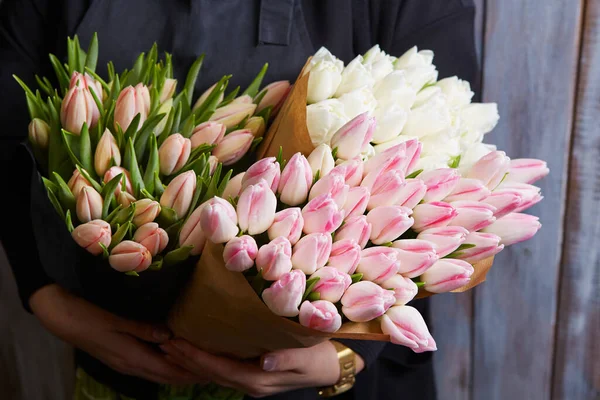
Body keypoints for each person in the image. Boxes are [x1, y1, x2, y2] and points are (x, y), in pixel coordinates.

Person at [0, 0, 480, 399]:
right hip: (115, 364)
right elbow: (5, 137)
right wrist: (45, 296)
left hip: (329, 375)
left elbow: (443, 166)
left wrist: (348, 356)